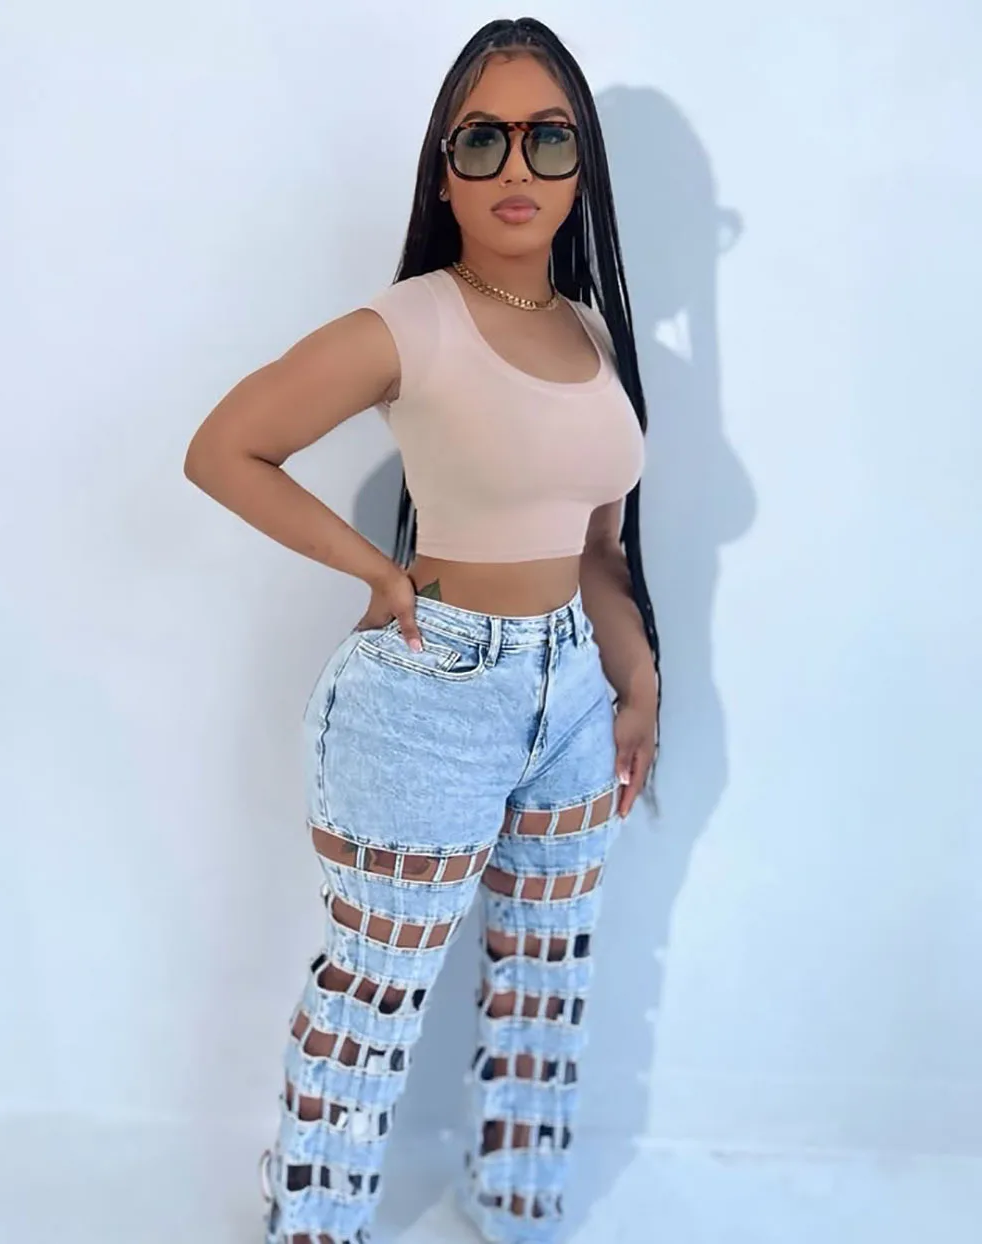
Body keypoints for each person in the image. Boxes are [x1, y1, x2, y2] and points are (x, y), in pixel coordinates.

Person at [184, 16, 661, 1244]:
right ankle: (314, 1219)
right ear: (443, 170)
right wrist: (378, 574)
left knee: (546, 972)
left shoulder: (593, 333)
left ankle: (516, 1203)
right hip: (433, 691)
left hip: (574, 697)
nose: (516, 166)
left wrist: (637, 679)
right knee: (375, 990)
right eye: (482, 139)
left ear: (582, 166)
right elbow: (225, 447)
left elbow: (598, 549)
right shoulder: (414, 321)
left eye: (548, 138)